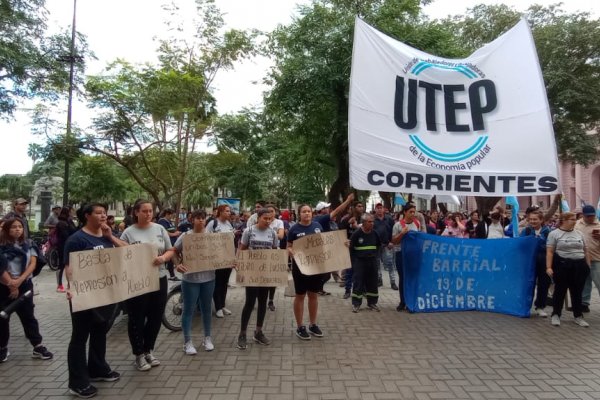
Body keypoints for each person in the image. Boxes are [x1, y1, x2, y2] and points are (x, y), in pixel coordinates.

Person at [64, 203, 128, 398]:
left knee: (100, 332)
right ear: (86, 216)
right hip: (84, 295)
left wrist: (110, 237)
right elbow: (69, 268)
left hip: (106, 294)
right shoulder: (77, 239)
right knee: (80, 337)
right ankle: (77, 382)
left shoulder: (107, 236)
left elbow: (128, 252)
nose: (103, 216)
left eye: (104, 213)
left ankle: (98, 369)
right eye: (98, 213)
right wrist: (73, 287)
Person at [120, 200, 176, 371]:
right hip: (137, 281)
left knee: (155, 316)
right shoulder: (128, 233)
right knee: (137, 318)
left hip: (159, 278)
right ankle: (138, 354)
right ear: (136, 212)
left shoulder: (160, 229)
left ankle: (148, 350)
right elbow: (121, 254)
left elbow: (170, 249)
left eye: (150, 211)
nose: (148, 214)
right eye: (144, 211)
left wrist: (164, 258)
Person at [0, 218, 53, 364]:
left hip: (24, 284)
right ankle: (2, 347)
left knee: (28, 316)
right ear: (6, 230)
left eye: (20, 227)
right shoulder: (1, 246)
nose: (17, 229)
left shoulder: (29, 244)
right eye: (13, 227)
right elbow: (1, 268)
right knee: (3, 318)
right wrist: (11, 284)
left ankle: (37, 345)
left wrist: (19, 281)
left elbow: (33, 263)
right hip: (4, 285)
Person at [165, 210, 216, 355]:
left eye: (203, 218)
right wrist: (177, 264)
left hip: (209, 278)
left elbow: (221, 253)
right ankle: (187, 342)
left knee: (207, 309)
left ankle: (207, 338)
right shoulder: (186, 236)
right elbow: (174, 251)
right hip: (190, 280)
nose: (201, 221)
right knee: (188, 310)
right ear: (192, 220)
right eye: (198, 218)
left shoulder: (212, 237)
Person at [236, 208, 279, 349]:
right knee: (249, 302)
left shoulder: (273, 233)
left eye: (270, 219)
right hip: (252, 273)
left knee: (262, 302)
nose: (268, 221)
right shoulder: (249, 231)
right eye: (265, 218)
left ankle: (258, 332)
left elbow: (274, 252)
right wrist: (238, 264)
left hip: (265, 274)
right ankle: (242, 334)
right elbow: (242, 250)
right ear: (258, 218)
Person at [287, 204, 326, 340]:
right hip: (300, 268)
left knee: (313, 295)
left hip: (316, 267)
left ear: (312, 213)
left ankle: (313, 324)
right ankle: (300, 326)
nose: (307, 214)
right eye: (304, 211)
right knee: (300, 296)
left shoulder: (317, 227)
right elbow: (289, 247)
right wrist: (292, 253)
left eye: (309, 211)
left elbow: (325, 244)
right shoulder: (294, 229)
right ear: (299, 214)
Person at [546, 212, 590, 327]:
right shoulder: (554, 234)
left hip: (579, 265)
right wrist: (549, 267)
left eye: (575, 219)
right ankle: (556, 314)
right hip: (563, 265)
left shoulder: (579, 233)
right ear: (563, 220)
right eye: (571, 219)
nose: (574, 221)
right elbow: (550, 251)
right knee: (560, 291)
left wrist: (587, 265)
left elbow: (586, 250)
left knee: (577, 292)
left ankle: (578, 316)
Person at [520, 210, 551, 317]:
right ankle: (526, 306)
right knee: (529, 284)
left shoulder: (548, 232)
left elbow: (551, 247)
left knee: (544, 284)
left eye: (535, 219)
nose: (532, 221)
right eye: (531, 219)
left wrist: (540, 241)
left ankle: (540, 307)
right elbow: (521, 245)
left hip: (544, 262)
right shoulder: (526, 231)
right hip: (529, 262)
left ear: (541, 220)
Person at [349, 213, 382, 312]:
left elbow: (379, 246)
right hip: (360, 262)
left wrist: (375, 256)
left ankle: (372, 303)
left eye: (372, 221)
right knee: (358, 283)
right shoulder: (356, 234)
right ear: (363, 223)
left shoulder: (375, 233)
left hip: (372, 261)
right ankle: (356, 304)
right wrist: (355, 261)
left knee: (372, 282)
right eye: (369, 222)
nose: (372, 223)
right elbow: (351, 248)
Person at [207, 204, 235, 318]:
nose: (229, 213)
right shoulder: (212, 223)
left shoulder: (229, 224)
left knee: (224, 283)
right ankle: (217, 307)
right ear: (221, 212)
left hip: (227, 258)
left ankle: (223, 305)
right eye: (227, 211)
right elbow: (206, 239)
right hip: (216, 258)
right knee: (217, 283)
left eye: (229, 211)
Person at [391, 204, 420, 311]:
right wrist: (402, 234)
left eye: (414, 212)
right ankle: (402, 301)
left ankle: (411, 301)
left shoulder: (417, 223)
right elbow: (394, 241)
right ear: (405, 212)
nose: (413, 214)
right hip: (401, 254)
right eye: (410, 212)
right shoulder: (398, 225)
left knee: (412, 277)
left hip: (414, 254)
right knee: (403, 277)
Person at [575, 205, 600, 313]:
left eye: (592, 216)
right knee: (584, 282)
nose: (591, 218)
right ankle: (584, 304)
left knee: (599, 282)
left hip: (596, 258)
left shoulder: (599, 224)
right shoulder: (577, 224)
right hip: (582, 258)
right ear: (583, 215)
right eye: (588, 216)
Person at [338, 200, 365, 299]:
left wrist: (356, 227)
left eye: (362, 206)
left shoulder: (365, 219)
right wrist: (348, 225)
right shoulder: (345, 219)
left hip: (362, 249)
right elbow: (340, 233)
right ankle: (347, 291)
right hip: (349, 249)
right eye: (358, 206)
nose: (361, 208)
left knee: (361, 271)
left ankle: (361, 291)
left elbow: (368, 232)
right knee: (349, 271)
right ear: (353, 208)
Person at [265, 204, 285, 311]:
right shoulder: (262, 221)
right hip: (262, 252)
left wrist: (266, 233)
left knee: (273, 279)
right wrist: (274, 233)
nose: (270, 213)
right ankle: (261, 299)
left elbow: (281, 236)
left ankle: (271, 300)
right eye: (267, 211)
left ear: (275, 212)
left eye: (272, 211)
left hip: (274, 252)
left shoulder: (279, 222)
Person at [373, 202, 397, 290]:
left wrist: (392, 242)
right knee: (377, 263)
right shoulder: (373, 219)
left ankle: (393, 282)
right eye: (377, 208)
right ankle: (379, 280)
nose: (379, 209)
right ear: (375, 210)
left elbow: (394, 231)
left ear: (383, 209)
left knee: (390, 263)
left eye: (381, 207)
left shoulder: (389, 219)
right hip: (376, 245)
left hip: (387, 245)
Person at [55, 206, 77, 293]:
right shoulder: (61, 223)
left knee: (70, 265)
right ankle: (59, 284)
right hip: (63, 246)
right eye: (71, 212)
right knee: (62, 265)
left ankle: (70, 283)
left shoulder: (69, 221)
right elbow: (66, 235)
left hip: (69, 245)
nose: (72, 213)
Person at [157, 208, 181, 281]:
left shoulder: (168, 221)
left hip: (172, 243)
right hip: (167, 244)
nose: (172, 216)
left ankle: (172, 275)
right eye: (171, 215)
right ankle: (169, 275)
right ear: (167, 214)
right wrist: (174, 234)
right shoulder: (162, 221)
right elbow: (165, 232)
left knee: (170, 259)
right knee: (168, 259)